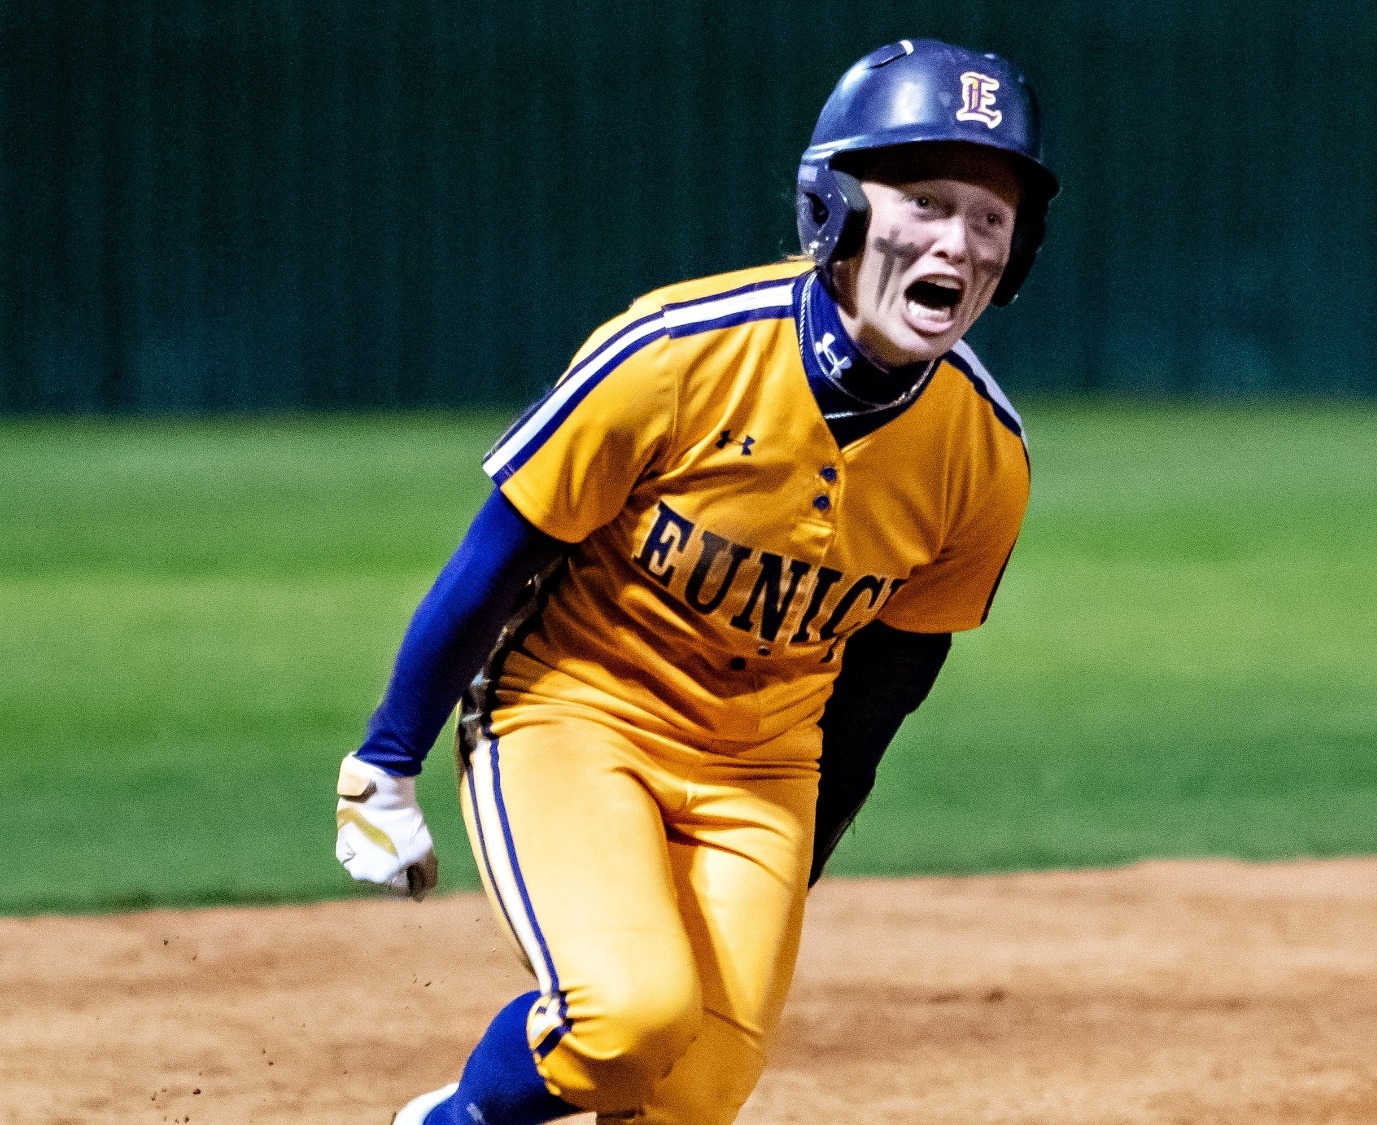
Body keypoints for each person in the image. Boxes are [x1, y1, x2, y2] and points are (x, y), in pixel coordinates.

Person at [330, 38, 1056, 1125]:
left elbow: (881, 694)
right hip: (576, 719)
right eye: (923, 199)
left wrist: (778, 883)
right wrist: (385, 764)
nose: (957, 238)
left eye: (988, 216)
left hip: (763, 774)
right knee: (627, 1022)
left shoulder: (983, 457)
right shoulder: (677, 351)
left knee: (694, 1092)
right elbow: (497, 557)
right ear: (835, 208)